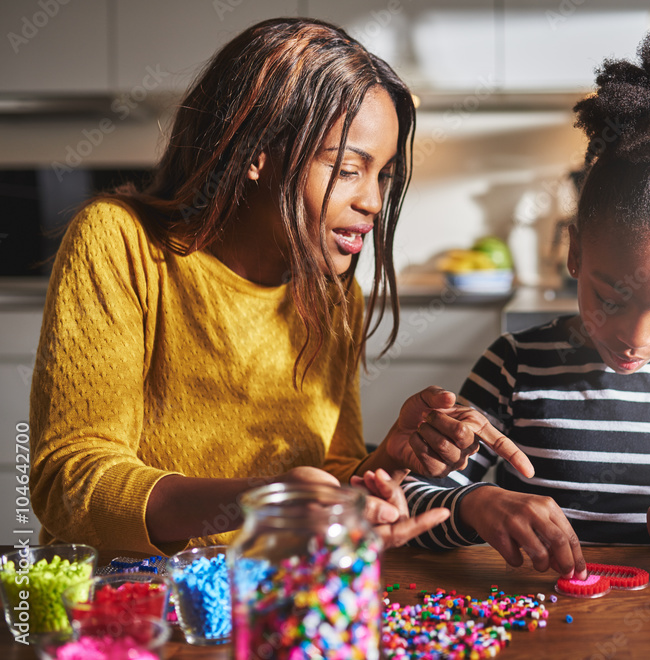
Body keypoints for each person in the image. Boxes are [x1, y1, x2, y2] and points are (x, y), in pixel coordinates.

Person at [28, 17, 532, 559]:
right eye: (348, 169)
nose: (373, 202)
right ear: (255, 155)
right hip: (134, 611)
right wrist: (263, 502)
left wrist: (390, 456)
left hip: (276, 599)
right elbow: (69, 483)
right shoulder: (120, 242)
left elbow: (329, 477)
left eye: (381, 174)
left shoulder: (335, 294)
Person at [403, 25, 650, 579]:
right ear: (575, 253)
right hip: (537, 620)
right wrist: (475, 504)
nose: (635, 336)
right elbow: (413, 503)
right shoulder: (514, 364)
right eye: (611, 297)